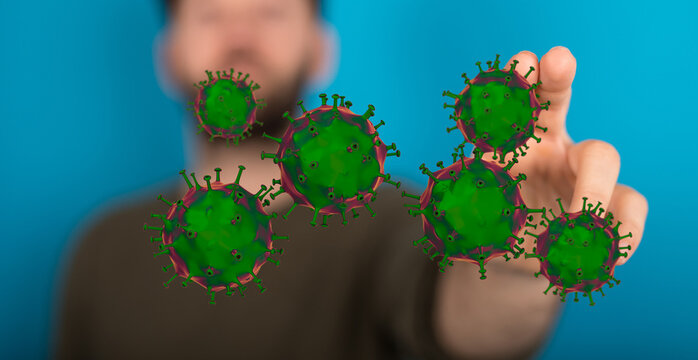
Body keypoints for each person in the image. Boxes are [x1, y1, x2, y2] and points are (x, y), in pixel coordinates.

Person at [54, 0, 648, 359]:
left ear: (321, 52)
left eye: (270, 11)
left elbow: (468, 327)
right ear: (166, 57)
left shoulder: (397, 224)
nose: (240, 35)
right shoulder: (100, 250)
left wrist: (512, 263)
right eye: (210, 13)